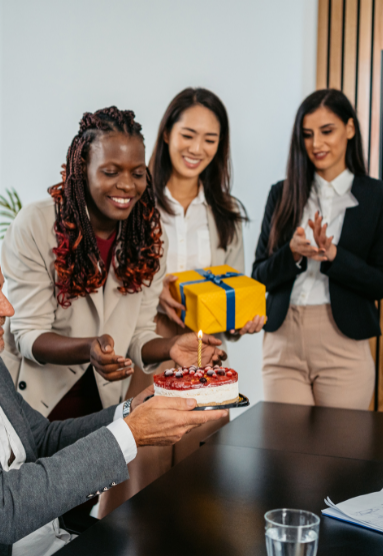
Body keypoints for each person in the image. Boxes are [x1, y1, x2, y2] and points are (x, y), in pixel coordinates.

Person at [0, 236, 229, 556]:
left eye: (3, 290)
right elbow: (1, 509)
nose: (8, 309)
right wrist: (131, 435)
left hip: (54, 538)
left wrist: (131, 411)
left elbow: (42, 439)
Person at [1, 106, 224, 432]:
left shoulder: (146, 237)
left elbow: (137, 335)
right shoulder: (36, 224)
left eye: (136, 173)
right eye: (110, 171)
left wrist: (170, 347)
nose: (127, 185)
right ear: (82, 168)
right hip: (35, 410)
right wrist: (89, 348)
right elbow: (27, 336)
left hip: (101, 412)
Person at [99, 88, 263, 517]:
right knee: (139, 469)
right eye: (188, 134)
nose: (197, 149)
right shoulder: (136, 201)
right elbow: (110, 279)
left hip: (202, 358)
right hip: (146, 350)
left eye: (210, 140)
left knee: (200, 473)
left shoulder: (227, 213)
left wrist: (244, 318)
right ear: (167, 132)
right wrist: (157, 285)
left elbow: (232, 290)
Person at [252, 89, 383, 409]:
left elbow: (382, 282)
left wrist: (335, 257)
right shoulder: (282, 194)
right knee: (287, 454)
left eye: (327, 131)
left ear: (349, 129)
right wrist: (291, 253)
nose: (316, 144)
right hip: (282, 338)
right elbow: (259, 275)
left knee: (340, 455)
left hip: (343, 340)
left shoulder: (382, 196)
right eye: (307, 135)